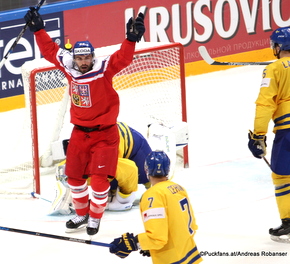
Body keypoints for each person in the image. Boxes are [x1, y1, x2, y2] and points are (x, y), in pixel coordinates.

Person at [24, 7, 145, 236]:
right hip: (79, 133)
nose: (83, 62)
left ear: (93, 56)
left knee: (99, 181)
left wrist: (130, 39)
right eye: (79, 58)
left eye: (87, 57)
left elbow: (123, 58)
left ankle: (95, 218)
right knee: (74, 179)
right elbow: (50, 50)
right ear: (74, 58)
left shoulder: (104, 68)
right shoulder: (68, 66)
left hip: (105, 135)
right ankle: (81, 214)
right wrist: (38, 29)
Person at [109, 151, 202, 264]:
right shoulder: (178, 188)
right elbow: (192, 226)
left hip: (171, 259)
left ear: (146, 169)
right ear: (168, 169)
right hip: (190, 254)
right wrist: (148, 245)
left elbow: (157, 238)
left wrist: (133, 242)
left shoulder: (152, 196)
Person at [50, 121, 152, 218]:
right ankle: (114, 193)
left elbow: (130, 170)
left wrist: (124, 198)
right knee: (101, 177)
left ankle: (123, 198)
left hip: (133, 144)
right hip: (105, 146)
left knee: (148, 176)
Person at [248, 27, 290, 242]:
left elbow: (265, 103)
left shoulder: (273, 69)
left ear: (278, 47)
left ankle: (289, 221)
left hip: (287, 131)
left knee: (282, 176)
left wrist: (258, 135)